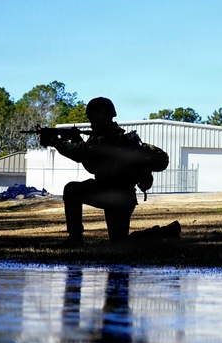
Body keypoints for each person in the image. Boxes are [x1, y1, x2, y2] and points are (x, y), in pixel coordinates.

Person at [42, 97, 145, 247]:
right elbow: (91, 163)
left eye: (92, 117)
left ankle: (75, 239)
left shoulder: (108, 137)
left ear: (100, 115)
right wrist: (76, 138)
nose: (91, 122)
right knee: (119, 243)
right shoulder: (113, 136)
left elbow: (81, 154)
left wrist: (55, 141)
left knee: (72, 190)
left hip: (113, 195)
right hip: (120, 196)